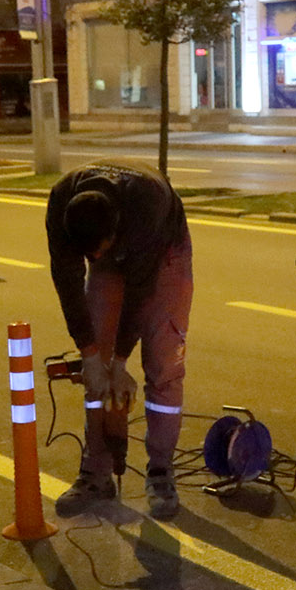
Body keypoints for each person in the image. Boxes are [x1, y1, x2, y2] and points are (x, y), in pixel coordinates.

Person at [45, 163, 193, 520]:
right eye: (88, 255)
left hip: (164, 252)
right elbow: (67, 282)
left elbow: (140, 294)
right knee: (97, 363)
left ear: (115, 228)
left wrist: (121, 363)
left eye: (99, 251)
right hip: (117, 241)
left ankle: (160, 471)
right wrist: (92, 356)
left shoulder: (147, 205)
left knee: (162, 363)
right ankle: (96, 472)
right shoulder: (61, 201)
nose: (94, 259)